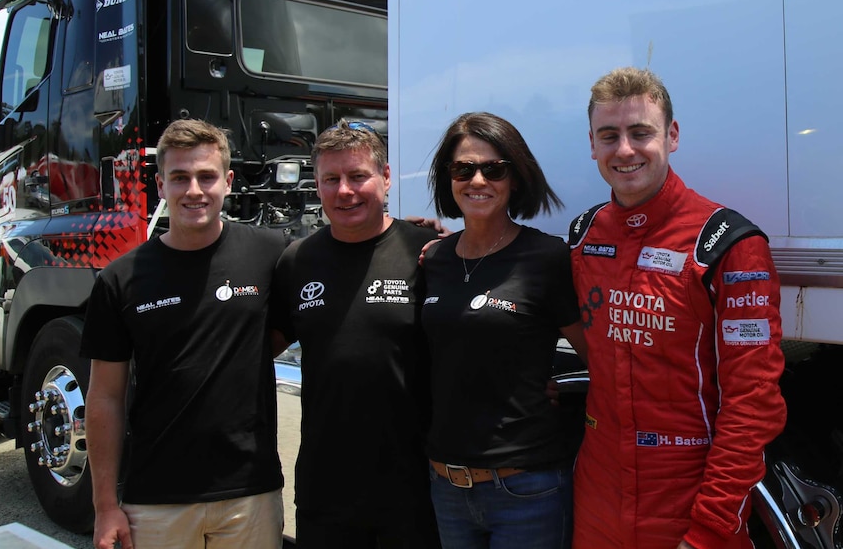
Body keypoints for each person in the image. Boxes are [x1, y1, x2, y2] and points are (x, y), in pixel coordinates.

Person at [568, 66, 786, 549]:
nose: (624, 150)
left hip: (687, 503)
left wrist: (710, 526)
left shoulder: (727, 242)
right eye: (609, 136)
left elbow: (753, 404)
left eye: (640, 132)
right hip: (598, 497)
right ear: (591, 144)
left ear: (672, 135)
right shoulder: (584, 235)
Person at [82, 119, 285, 549]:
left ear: (227, 182)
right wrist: (104, 506)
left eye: (206, 176)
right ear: (160, 185)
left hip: (249, 494)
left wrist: (412, 239)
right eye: (179, 177)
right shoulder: (120, 280)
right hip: (156, 500)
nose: (194, 190)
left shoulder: (270, 254)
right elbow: (104, 397)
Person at [269, 119, 442, 548]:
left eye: (358, 176)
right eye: (331, 179)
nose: (344, 191)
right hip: (326, 488)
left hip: (415, 488)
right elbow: (255, 350)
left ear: (385, 178)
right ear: (317, 184)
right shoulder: (297, 261)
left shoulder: (428, 253)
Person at [420, 111, 588, 549]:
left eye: (493, 168)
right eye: (463, 169)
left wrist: (566, 394)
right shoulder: (432, 259)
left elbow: (598, 357)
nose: (477, 180)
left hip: (527, 490)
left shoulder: (546, 258)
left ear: (516, 177)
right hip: (447, 487)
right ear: (448, 179)